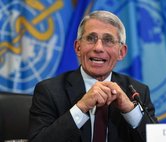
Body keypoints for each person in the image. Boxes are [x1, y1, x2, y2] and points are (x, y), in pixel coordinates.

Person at [29, 10, 158, 142]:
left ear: (121, 52)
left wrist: (130, 111)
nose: (98, 48)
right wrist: (81, 107)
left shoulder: (138, 93)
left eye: (108, 40)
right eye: (91, 38)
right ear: (78, 48)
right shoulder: (49, 91)